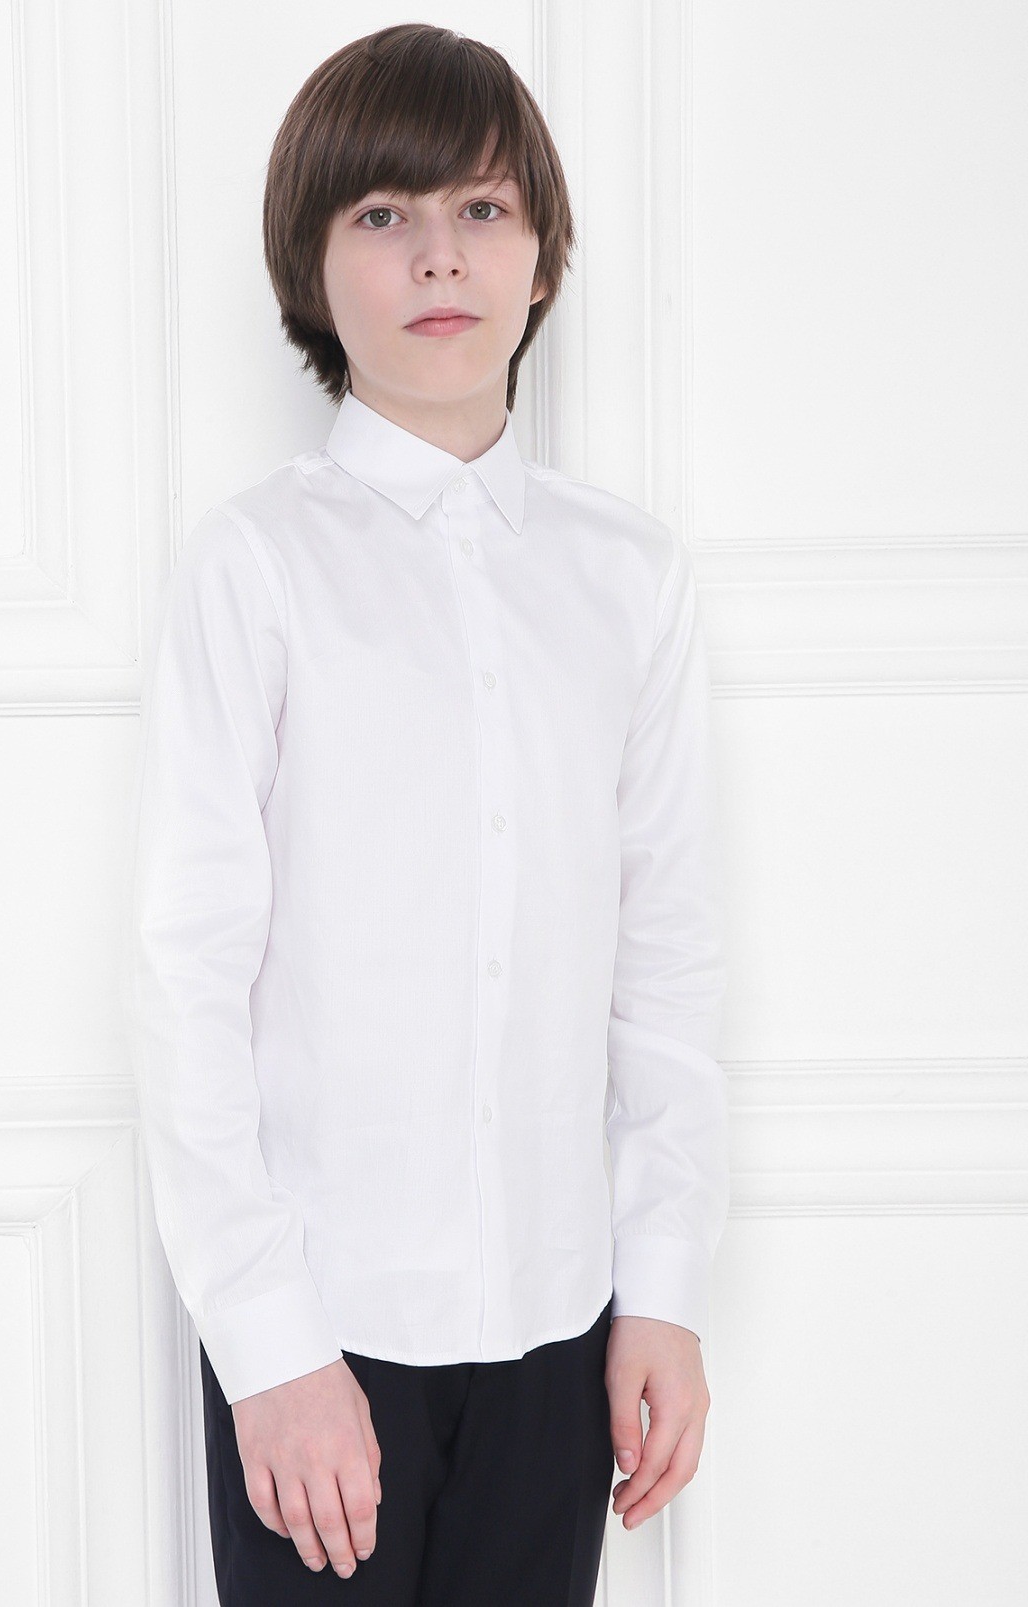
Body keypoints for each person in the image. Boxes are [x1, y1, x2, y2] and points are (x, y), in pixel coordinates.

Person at [121, 21, 730, 1607]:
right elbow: (189, 976)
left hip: (561, 1325)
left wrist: (662, 1291)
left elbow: (665, 959)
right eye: (384, 213)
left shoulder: (628, 578)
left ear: (541, 253)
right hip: (323, 1330)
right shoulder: (256, 566)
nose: (440, 255)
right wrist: (269, 1347)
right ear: (312, 267)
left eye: (483, 208)